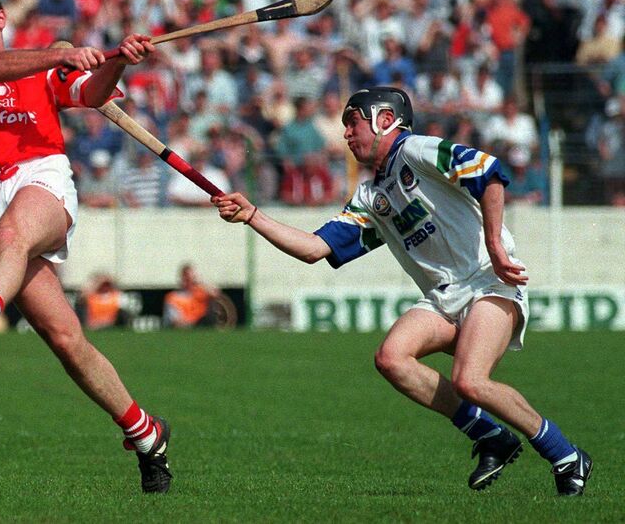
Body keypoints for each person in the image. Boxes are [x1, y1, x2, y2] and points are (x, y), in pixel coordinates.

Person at [213, 86, 592, 496]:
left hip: (489, 280)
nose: (346, 134)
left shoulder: (416, 150)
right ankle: (491, 436)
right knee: (391, 358)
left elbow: (488, 170)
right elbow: (313, 249)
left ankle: (567, 456)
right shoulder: (370, 196)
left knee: (469, 381)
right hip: (444, 299)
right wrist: (252, 215)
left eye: (352, 122)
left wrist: (497, 247)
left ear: (384, 119)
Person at [0, 0, 171, 494]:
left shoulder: (44, 67)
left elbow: (94, 94)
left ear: (0, 18)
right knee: (65, 341)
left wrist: (119, 61)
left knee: (15, 232)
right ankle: (146, 434)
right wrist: (59, 53)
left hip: (41, 177)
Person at [163, 263, 222, 328]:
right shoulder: (173, 297)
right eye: (187, 277)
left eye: (192, 277)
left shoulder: (201, 292)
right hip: (186, 327)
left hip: (201, 325)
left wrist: (201, 282)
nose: (190, 280)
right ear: (182, 278)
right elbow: (174, 320)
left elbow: (216, 294)